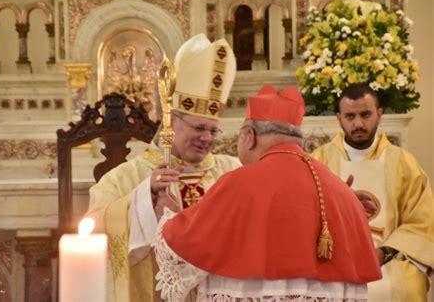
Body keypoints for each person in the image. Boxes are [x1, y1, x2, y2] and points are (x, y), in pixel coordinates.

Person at [153, 85, 381, 301]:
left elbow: (183, 249)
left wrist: (167, 216)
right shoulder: (338, 188)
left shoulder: (239, 181)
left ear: (249, 136)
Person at [86, 34, 241, 301]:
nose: (207, 138)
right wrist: (144, 201)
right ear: (171, 122)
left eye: (214, 130)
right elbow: (92, 234)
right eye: (199, 127)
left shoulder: (232, 172)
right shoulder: (124, 179)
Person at [312, 82, 434, 301]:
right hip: (335, 257)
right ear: (339, 118)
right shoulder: (319, 161)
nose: (358, 123)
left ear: (379, 114)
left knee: (407, 287)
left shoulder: (403, 163)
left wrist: (383, 253)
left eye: (366, 114)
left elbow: (421, 222)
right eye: (350, 116)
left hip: (390, 257)